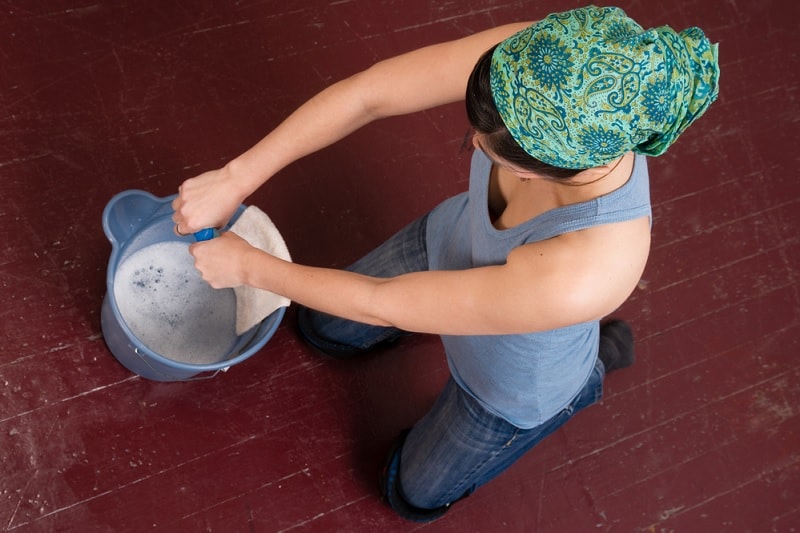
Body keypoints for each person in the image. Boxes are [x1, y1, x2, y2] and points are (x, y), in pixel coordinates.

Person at [172, 5, 719, 522]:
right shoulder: (543, 64)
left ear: (543, 169)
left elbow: (385, 304)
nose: (474, 144)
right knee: (321, 328)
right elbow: (369, 96)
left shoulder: (591, 268)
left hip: (505, 380)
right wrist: (235, 178)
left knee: (409, 492)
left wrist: (248, 268)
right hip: (450, 243)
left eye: (488, 148)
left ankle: (588, 371)